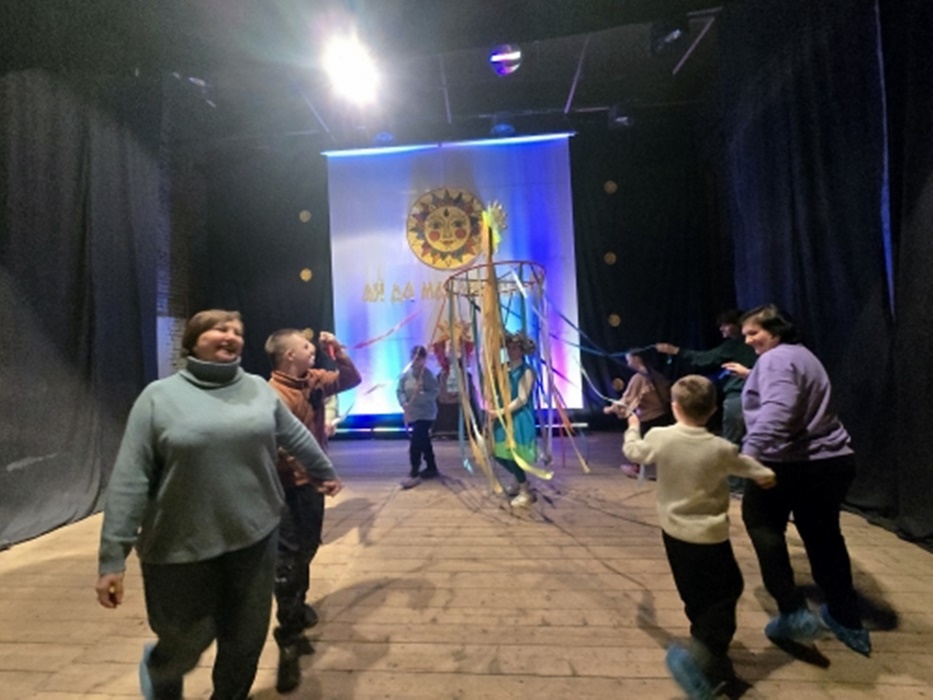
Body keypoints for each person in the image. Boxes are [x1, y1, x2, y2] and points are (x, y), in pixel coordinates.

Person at [95, 309, 342, 700]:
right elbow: (130, 478)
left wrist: (322, 470)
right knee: (185, 642)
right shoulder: (158, 398)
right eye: (218, 329)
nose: (230, 335)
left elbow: (295, 435)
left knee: (245, 641)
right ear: (192, 342)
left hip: (254, 538)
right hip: (180, 547)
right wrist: (113, 557)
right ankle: (162, 672)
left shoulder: (258, 390)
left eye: (237, 331)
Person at [722, 304, 871, 656]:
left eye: (754, 332)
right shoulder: (801, 356)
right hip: (830, 463)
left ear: (775, 331)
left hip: (790, 465)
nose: (748, 340)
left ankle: (793, 612)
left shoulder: (776, 360)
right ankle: (848, 620)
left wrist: (749, 455)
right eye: (745, 334)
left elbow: (779, 410)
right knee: (824, 538)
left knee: (761, 524)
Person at [623, 375, 775, 699]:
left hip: (674, 534)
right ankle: (702, 658)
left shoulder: (661, 437)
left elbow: (634, 452)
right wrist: (764, 474)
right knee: (726, 593)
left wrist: (633, 426)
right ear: (714, 409)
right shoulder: (720, 447)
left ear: (674, 407)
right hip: (710, 538)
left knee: (694, 593)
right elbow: (743, 465)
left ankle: (705, 649)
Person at [264, 328, 361, 692]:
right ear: (289, 355)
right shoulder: (273, 394)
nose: (312, 349)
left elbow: (351, 379)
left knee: (307, 547)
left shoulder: (314, 379)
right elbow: (281, 448)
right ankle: (288, 638)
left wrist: (339, 352)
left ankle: (298, 604)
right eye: (306, 347)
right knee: (288, 561)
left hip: (312, 485)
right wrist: (317, 473)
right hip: (286, 488)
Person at [657, 309, 758, 493]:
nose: (722, 329)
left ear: (737, 325)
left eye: (725, 325)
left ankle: (736, 486)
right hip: (760, 400)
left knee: (733, 443)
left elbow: (704, 359)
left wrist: (675, 351)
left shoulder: (735, 345)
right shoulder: (759, 348)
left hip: (738, 400)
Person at [604, 349, 672, 479]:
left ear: (636, 359)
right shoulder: (656, 375)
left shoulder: (639, 378)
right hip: (662, 415)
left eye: (629, 359)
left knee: (638, 442)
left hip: (648, 416)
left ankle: (636, 469)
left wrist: (610, 409)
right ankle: (664, 472)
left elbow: (627, 399)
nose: (628, 363)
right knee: (661, 444)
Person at [492, 331, 538, 507]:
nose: (511, 351)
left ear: (522, 350)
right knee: (497, 453)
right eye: (509, 348)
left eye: (515, 348)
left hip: (518, 417)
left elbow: (522, 399)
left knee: (512, 454)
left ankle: (525, 491)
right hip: (502, 415)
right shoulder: (503, 368)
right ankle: (520, 480)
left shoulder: (527, 371)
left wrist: (500, 411)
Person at [396, 345, 440, 488]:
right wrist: (404, 403)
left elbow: (434, 393)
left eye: (419, 359)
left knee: (416, 441)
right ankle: (431, 466)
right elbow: (399, 390)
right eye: (413, 358)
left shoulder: (428, 375)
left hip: (426, 414)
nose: (416, 361)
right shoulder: (406, 375)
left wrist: (420, 396)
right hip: (412, 413)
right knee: (424, 440)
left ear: (424, 359)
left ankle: (414, 471)